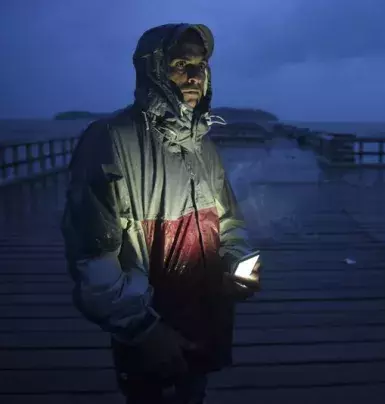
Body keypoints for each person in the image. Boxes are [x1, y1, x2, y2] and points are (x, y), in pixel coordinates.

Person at [61, 23, 260, 404]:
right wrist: (143, 328)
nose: (193, 75)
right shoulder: (108, 139)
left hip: (205, 320)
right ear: (152, 68)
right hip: (148, 329)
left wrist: (239, 262)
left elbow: (229, 222)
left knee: (193, 395)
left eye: (200, 65)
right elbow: (92, 259)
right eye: (180, 63)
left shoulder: (203, 147)